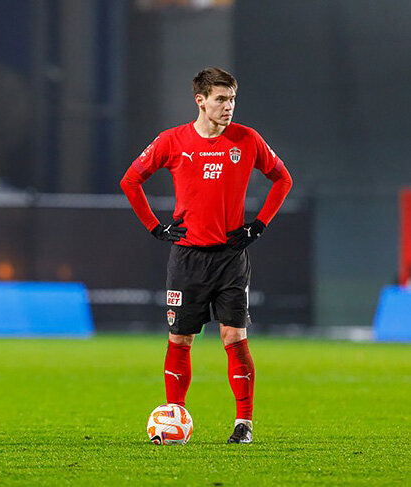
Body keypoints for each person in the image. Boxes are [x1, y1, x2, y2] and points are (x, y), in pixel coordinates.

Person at [120, 67, 292, 444]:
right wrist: (155, 227)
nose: (229, 106)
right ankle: (173, 417)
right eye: (221, 99)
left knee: (234, 337)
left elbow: (283, 179)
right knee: (180, 339)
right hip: (187, 259)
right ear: (200, 100)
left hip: (231, 258)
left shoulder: (247, 139)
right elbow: (130, 180)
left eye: (232, 99)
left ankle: (243, 424)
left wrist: (259, 225)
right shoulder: (172, 141)